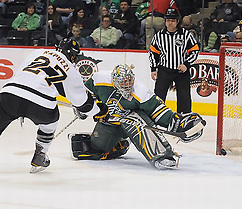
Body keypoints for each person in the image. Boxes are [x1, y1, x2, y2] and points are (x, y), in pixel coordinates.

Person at [0, 38, 108, 173]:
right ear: (73, 55)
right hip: (40, 104)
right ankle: (40, 155)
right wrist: (98, 111)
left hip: (10, 93)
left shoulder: (38, 52)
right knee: (51, 121)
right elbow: (83, 103)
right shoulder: (70, 69)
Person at [70, 64, 206, 169]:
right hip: (110, 122)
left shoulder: (140, 91)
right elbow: (86, 93)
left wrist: (179, 124)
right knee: (92, 149)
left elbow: (158, 111)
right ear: (114, 81)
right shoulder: (100, 79)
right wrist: (83, 107)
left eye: (129, 81)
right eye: (123, 83)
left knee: (135, 120)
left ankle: (162, 155)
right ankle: (119, 144)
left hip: (131, 119)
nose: (127, 85)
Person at [149, 8, 200, 113]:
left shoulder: (186, 35)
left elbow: (195, 50)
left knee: (184, 97)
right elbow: (153, 53)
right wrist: (153, 69)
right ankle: (156, 116)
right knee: (159, 96)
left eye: (172, 20)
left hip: (181, 71)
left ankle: (184, 118)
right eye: (168, 20)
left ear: (177, 21)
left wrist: (186, 64)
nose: (170, 23)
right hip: (164, 69)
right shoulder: (159, 36)